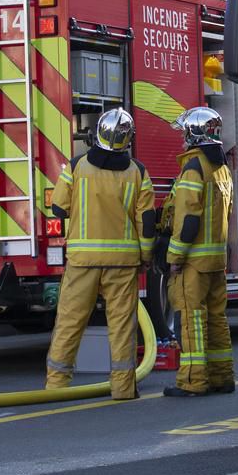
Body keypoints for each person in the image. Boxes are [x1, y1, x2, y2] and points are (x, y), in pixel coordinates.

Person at [45, 108, 155, 400]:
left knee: (70, 322)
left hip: (83, 261)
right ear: (128, 139)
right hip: (123, 263)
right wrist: (145, 257)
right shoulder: (138, 172)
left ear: (98, 135)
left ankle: (56, 386)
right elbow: (147, 222)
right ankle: (123, 388)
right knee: (122, 326)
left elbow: (58, 208)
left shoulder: (78, 166)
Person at [163, 106, 235, 397]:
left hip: (193, 262)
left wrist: (175, 257)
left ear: (194, 134)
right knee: (217, 319)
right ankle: (221, 377)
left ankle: (192, 381)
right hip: (216, 259)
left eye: (184, 132)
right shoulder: (222, 167)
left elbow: (189, 218)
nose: (182, 138)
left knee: (192, 320)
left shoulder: (193, 167)